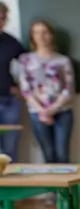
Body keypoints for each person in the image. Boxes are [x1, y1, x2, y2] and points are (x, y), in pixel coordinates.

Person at [18, 20, 74, 180]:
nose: (41, 36)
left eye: (45, 32)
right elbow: (25, 88)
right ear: (32, 37)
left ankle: (66, 193)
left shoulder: (63, 61)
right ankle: (52, 191)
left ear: (51, 35)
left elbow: (69, 89)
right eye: (36, 32)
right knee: (48, 153)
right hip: (37, 112)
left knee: (62, 153)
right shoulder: (25, 60)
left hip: (62, 111)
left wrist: (51, 109)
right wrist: (42, 110)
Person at [0, 2, 25, 162]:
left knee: (9, 152)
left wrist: (22, 88)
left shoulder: (11, 42)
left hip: (9, 101)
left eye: (2, 18)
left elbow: (31, 65)